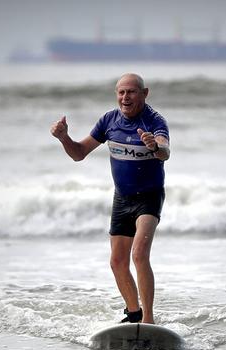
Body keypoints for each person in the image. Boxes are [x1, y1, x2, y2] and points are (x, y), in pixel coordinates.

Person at [50, 73, 170, 324]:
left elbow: (165, 152)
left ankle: (149, 320)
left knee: (139, 254)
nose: (125, 97)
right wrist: (64, 138)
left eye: (131, 92)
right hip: (122, 198)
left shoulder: (154, 121)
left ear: (144, 93)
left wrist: (155, 147)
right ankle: (133, 313)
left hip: (149, 197)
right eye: (121, 92)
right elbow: (79, 154)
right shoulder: (109, 120)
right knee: (117, 261)